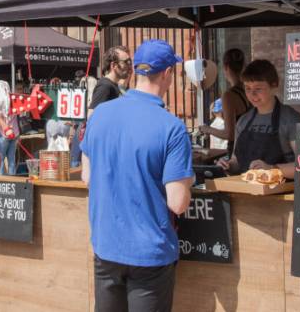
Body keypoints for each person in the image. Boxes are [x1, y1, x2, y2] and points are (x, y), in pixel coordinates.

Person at [81, 39, 193, 311]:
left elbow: (87, 176)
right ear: (167, 73)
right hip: (149, 253)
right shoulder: (173, 128)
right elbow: (178, 203)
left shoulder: (99, 115)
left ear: (137, 72)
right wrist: (188, 180)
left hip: (105, 247)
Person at [216, 59, 300, 179]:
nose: (252, 94)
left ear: (274, 86)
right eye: (247, 88)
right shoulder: (243, 121)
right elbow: (236, 161)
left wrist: (272, 169)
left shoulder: (290, 119)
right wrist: (227, 165)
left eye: (258, 89)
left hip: (279, 194)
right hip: (244, 192)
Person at [72, 46, 131, 167]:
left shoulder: (114, 86)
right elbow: (92, 117)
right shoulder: (105, 86)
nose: (130, 65)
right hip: (103, 154)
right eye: (126, 62)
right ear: (114, 65)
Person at [199, 48, 249, 154]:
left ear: (226, 67)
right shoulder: (247, 90)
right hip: (250, 145)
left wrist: (207, 129)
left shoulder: (229, 96)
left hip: (238, 150)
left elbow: (229, 134)